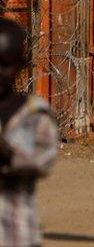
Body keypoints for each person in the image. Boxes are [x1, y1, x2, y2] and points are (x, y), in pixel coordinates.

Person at [0, 18, 58, 247]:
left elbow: (42, 160)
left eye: (4, 65)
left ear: (21, 66)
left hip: (18, 231)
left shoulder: (35, 115)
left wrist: (7, 154)